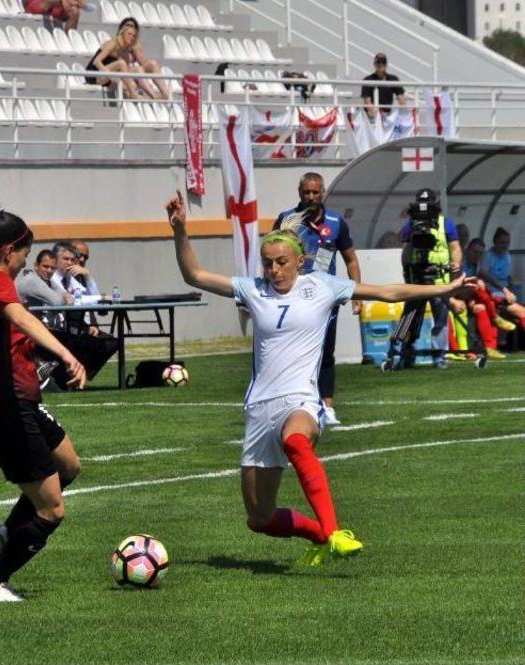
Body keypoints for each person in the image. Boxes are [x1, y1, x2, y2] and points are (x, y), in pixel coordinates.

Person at [166, 190, 476, 567]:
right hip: (259, 408)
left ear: (300, 260)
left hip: (301, 399)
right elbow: (194, 275)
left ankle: (334, 532)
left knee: (297, 441)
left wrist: (445, 289)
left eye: (281, 262)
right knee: (259, 518)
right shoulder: (254, 290)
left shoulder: (322, 286)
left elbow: (389, 291)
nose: (274, 270)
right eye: (267, 264)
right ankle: (317, 535)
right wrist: (181, 229)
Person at [0, 199, 87, 602]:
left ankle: (9, 529)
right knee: (52, 509)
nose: (24, 263)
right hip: (7, 409)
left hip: (19, 400)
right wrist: (66, 354)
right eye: (24, 254)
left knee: (69, 465)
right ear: (9, 251)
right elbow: (21, 317)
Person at [273, 172, 362, 425]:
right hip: (292, 295)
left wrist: (357, 291)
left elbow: (351, 259)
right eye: (306, 192)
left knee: (325, 352)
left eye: (315, 192)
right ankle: (292, 402)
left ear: (323, 193)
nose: (310, 197)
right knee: (292, 351)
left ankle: (327, 406)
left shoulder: (335, 221)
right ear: (299, 193)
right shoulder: (287, 220)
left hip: (324, 298)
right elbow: (270, 253)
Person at [18, 248, 117, 390]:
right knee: (75, 342)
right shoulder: (32, 280)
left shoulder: (50, 281)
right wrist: (65, 298)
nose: (49, 271)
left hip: (43, 329)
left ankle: (71, 379)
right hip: (27, 333)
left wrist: (93, 290)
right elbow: (59, 301)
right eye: (45, 267)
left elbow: (72, 298)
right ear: (35, 266)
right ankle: (66, 380)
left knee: (102, 342)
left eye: (52, 268)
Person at [400, 189, 462, 369]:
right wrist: (407, 274)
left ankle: (439, 357)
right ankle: (405, 353)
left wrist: (456, 263)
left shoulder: (446, 224)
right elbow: (406, 251)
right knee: (410, 318)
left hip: (440, 279)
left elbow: (455, 247)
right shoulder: (410, 225)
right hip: (417, 279)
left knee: (441, 320)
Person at [85, 17, 169, 100]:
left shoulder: (126, 49)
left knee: (144, 67)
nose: (131, 37)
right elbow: (96, 62)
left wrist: (141, 80)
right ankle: (133, 94)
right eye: (129, 34)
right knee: (121, 64)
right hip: (95, 74)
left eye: (134, 36)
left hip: (110, 75)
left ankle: (159, 95)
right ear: (122, 33)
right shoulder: (112, 43)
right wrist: (110, 75)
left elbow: (128, 70)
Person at [479, 227, 525, 331]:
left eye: (507, 243)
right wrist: (505, 290)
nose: (505, 245)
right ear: (495, 242)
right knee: (523, 312)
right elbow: (483, 273)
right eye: (502, 242)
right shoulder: (488, 255)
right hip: (493, 294)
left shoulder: (507, 256)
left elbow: (506, 276)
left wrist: (511, 289)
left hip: (504, 293)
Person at [361, 52, 406, 119]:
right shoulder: (368, 80)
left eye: (383, 62)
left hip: (387, 116)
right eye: (378, 62)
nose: (381, 64)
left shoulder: (393, 79)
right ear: (375, 64)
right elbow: (367, 102)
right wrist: (377, 115)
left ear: (386, 64)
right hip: (371, 116)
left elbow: (401, 99)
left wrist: (401, 115)